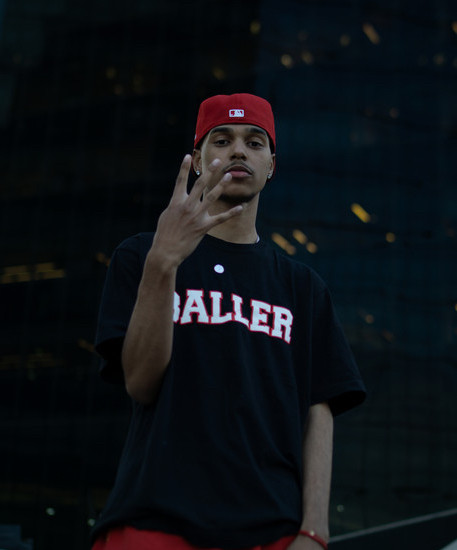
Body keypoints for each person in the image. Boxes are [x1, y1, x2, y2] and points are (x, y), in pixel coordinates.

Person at [91, 93, 366, 550]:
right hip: (155, 515)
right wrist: (163, 263)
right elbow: (140, 382)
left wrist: (315, 532)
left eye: (254, 142)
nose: (239, 150)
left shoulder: (303, 287)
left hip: (270, 524)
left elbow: (319, 408)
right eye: (221, 140)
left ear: (271, 165)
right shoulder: (142, 254)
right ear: (198, 159)